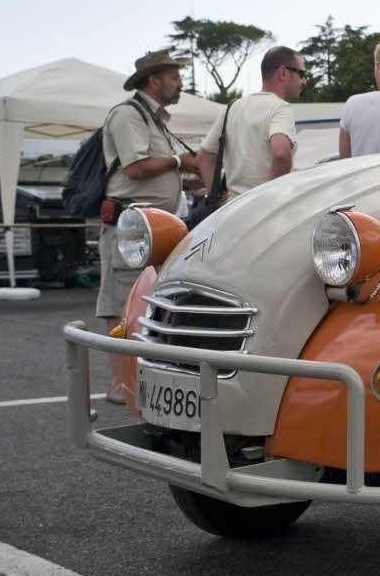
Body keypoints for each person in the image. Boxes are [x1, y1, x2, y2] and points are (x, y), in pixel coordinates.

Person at [99, 50, 199, 402]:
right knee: (121, 300)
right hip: (133, 227)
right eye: (173, 76)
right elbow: (136, 169)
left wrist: (191, 181)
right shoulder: (128, 115)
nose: (180, 82)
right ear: (153, 80)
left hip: (157, 227)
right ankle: (118, 382)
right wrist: (180, 160)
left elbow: (158, 174)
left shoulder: (154, 119)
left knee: (153, 299)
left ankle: (144, 378)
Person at [196, 46, 303, 199]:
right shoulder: (280, 107)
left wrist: (216, 196)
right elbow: (281, 153)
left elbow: (204, 157)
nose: (304, 81)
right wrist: (273, 200)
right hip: (262, 214)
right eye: (301, 74)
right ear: (283, 73)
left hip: (232, 210)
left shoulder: (232, 107)